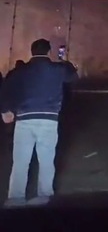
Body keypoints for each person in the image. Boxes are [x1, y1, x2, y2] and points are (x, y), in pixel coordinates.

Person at [0, 39, 78, 205]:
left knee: (20, 162)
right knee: (47, 161)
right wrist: (64, 60)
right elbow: (73, 75)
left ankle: (16, 198)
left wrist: (6, 110)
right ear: (49, 52)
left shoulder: (20, 71)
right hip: (49, 120)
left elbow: (6, 89)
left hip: (24, 119)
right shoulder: (58, 69)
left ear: (32, 52)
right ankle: (44, 197)